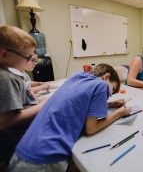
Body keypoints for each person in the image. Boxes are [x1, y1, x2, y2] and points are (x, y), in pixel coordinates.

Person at [8, 63, 132, 172]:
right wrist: (119, 113)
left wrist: (109, 104)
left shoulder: (78, 76)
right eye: (111, 91)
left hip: (24, 150)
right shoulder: (101, 85)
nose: (108, 95)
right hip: (44, 158)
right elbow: (91, 129)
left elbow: (79, 101)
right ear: (106, 77)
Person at [0, 25, 47, 169]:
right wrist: (41, 106)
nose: (31, 61)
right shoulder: (7, 78)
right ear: (4, 54)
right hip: (16, 144)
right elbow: (6, 122)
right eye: (28, 57)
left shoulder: (11, 74)